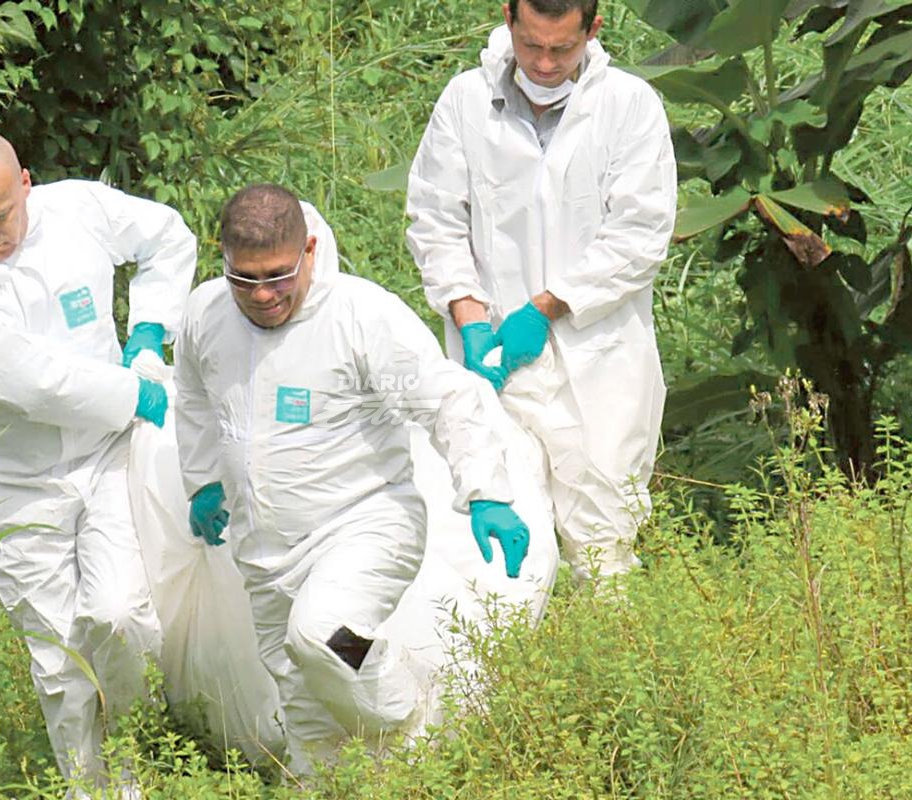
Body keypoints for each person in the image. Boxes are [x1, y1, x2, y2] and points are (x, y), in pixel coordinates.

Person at [173, 183, 531, 773]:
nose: (262, 295)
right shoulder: (207, 315)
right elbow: (191, 395)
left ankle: (409, 710)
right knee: (300, 698)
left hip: (364, 522)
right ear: (225, 263)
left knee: (324, 635)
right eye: (245, 279)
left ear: (309, 251)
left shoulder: (360, 316)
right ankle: (332, 780)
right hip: (264, 544)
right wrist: (203, 479)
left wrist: (487, 492)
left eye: (278, 276)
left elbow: (446, 400)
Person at [0, 131, 197, 794]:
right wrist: (137, 394)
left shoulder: (77, 212)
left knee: (121, 614)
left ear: (26, 184)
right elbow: (31, 384)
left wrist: (151, 328)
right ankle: (89, 788)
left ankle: (140, 765)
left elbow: (167, 237)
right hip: (13, 478)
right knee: (61, 656)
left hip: (104, 458)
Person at [405, 0, 677, 581]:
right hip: (495, 359)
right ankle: (508, 669)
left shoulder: (628, 106)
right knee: (495, 531)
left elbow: (640, 234)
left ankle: (608, 662)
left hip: (600, 361)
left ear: (593, 30)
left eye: (561, 48)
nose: (546, 62)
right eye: (531, 45)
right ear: (508, 20)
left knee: (605, 542)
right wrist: (469, 315)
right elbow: (436, 219)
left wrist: (546, 306)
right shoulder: (466, 101)